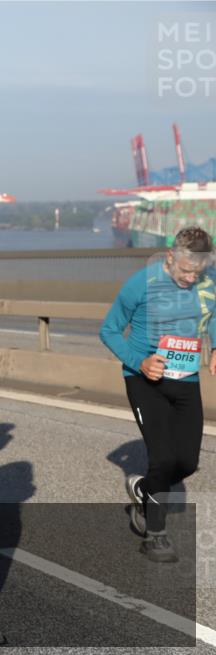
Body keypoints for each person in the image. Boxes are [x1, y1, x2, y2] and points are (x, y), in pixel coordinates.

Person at [99, 226, 215, 563]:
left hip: (186, 379)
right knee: (163, 459)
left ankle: (144, 489)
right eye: (184, 270)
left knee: (188, 462)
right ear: (169, 257)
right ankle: (155, 535)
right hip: (143, 378)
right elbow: (108, 330)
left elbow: (214, 313)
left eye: (198, 272)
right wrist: (141, 362)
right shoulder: (141, 283)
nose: (191, 278)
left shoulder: (208, 279)